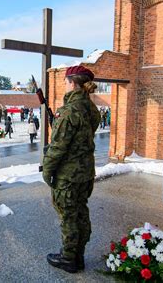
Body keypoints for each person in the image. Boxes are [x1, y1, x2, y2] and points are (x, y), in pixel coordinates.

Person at [43, 65, 101, 273]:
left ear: (72, 83)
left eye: (66, 81)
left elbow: (58, 146)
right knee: (80, 212)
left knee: (68, 216)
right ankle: (79, 255)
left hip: (68, 174)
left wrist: (47, 171)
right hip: (86, 173)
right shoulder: (91, 109)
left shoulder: (68, 111)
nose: (64, 85)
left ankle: (68, 258)